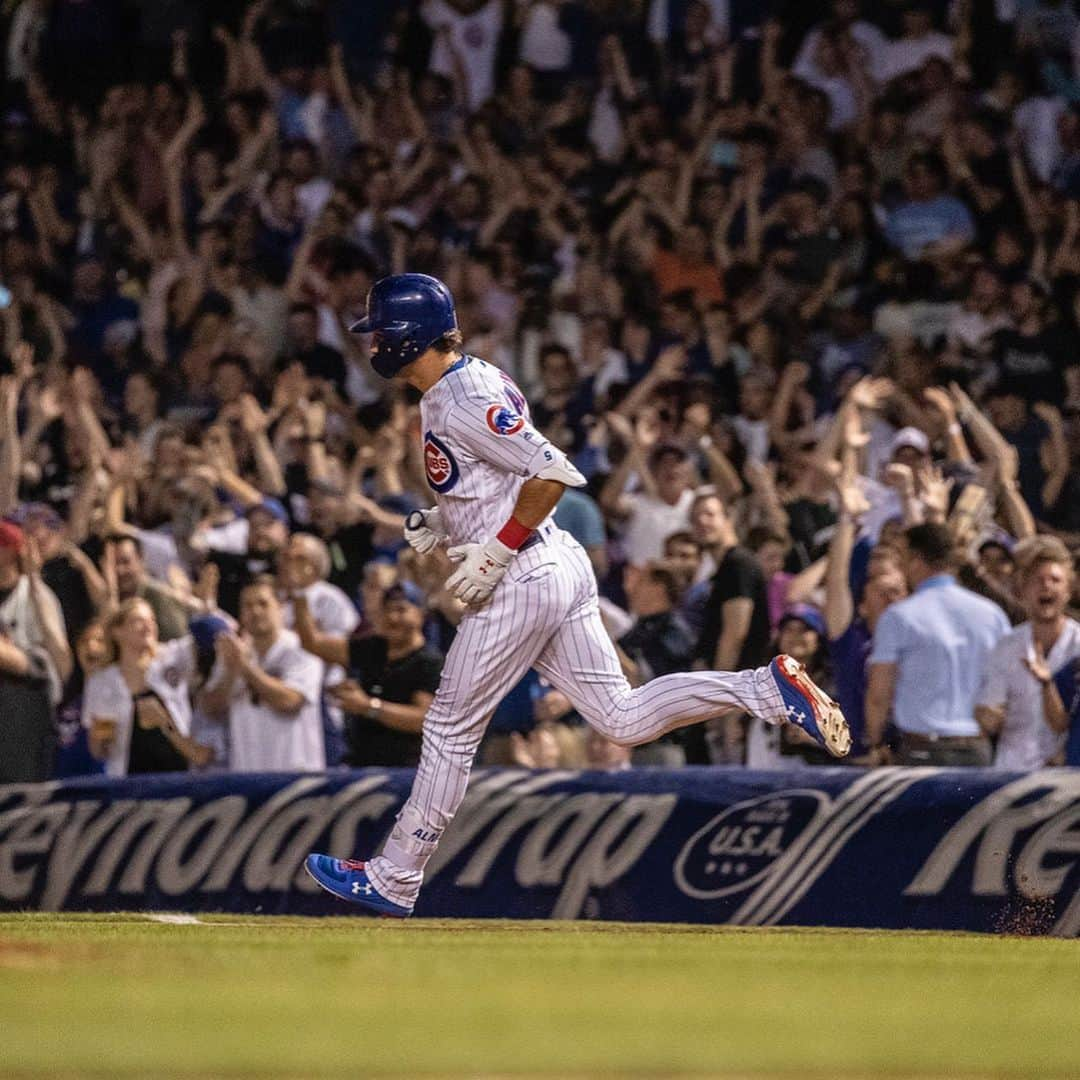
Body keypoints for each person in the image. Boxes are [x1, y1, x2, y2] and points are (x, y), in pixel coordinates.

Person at [305, 273, 850, 916]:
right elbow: (492, 478)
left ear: (405, 338)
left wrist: (499, 546)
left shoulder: (463, 394)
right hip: (549, 566)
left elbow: (553, 471)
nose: (370, 348)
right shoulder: (454, 386)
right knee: (621, 718)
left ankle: (395, 875)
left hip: (525, 573)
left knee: (449, 728)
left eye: (378, 335)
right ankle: (766, 689)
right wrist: (445, 520)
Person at [865, 523, 1010, 766]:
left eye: (902, 557)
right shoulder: (992, 614)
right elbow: (1008, 681)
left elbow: (879, 694)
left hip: (920, 751)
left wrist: (876, 742)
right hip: (977, 750)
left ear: (916, 560)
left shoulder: (899, 616)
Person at [294, 579, 443, 767]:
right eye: (387, 610)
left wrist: (368, 707)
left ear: (421, 614)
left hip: (406, 771)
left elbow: (423, 720)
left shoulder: (430, 662)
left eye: (401, 610)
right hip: (361, 765)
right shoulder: (372, 648)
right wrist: (300, 593)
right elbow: (312, 643)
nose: (393, 618)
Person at [201, 575, 325, 772]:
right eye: (247, 606)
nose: (255, 611)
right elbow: (210, 709)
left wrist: (245, 668)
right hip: (247, 774)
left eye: (263, 604)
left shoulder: (302, 649)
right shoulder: (234, 652)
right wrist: (230, 674)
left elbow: (290, 701)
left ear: (281, 607)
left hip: (295, 775)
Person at [976, 537, 1080, 769]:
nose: (1046, 587)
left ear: (1068, 590)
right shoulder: (1006, 646)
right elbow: (990, 710)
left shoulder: (1078, 644)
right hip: (1012, 772)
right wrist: (987, 716)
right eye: (1037, 580)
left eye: (1055, 580)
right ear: (1021, 589)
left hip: (1068, 778)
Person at [81, 598, 212, 777]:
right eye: (138, 621)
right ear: (117, 632)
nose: (148, 626)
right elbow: (98, 750)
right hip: (128, 782)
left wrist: (203, 604)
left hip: (180, 774)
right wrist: (101, 737)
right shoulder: (102, 681)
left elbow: (212, 633)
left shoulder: (173, 658)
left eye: (152, 620)